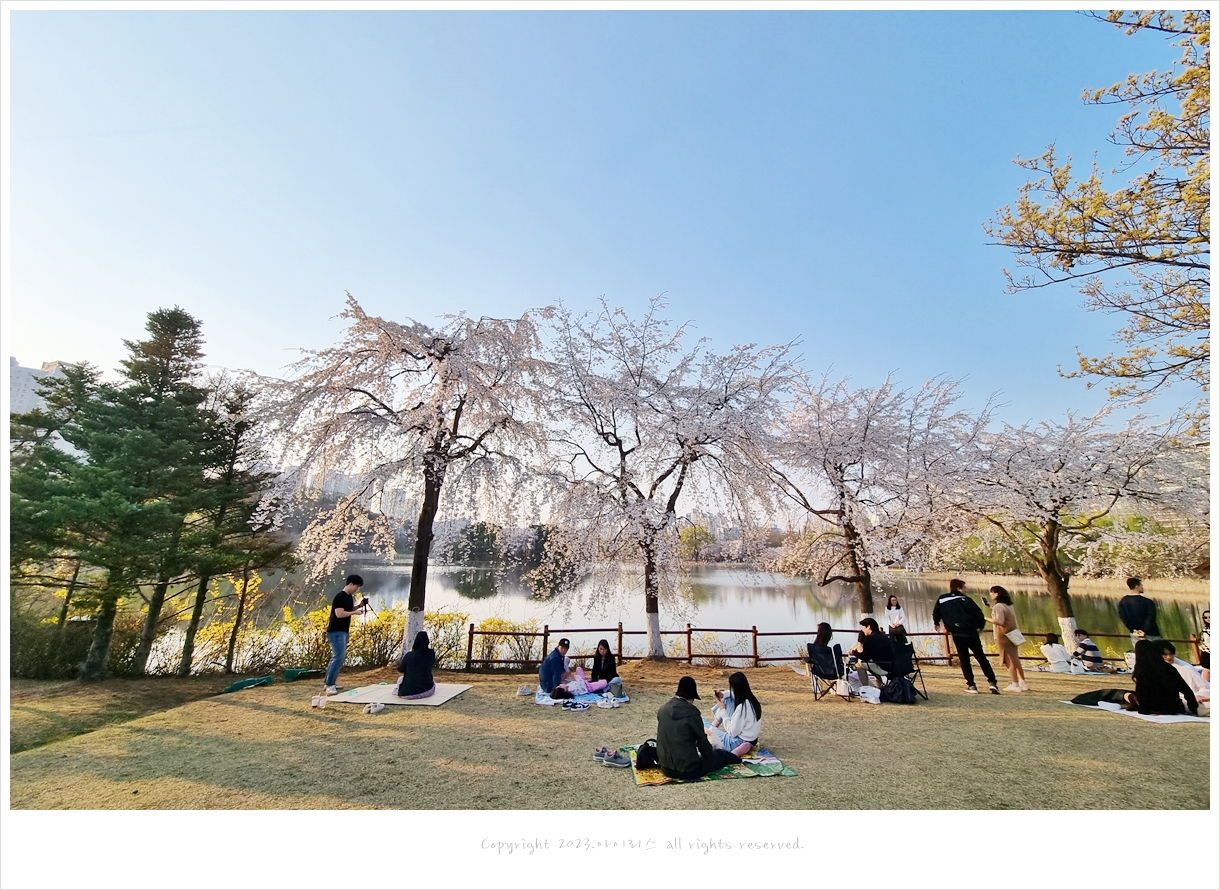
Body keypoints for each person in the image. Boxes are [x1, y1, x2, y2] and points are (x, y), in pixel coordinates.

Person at [656, 676, 741, 781]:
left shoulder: (663, 709)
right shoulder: (692, 713)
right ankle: (739, 760)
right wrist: (712, 753)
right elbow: (703, 746)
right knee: (721, 755)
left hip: (665, 768)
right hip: (689, 770)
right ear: (693, 696)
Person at [932, 579, 999, 694]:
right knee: (981, 657)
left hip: (956, 633)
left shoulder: (942, 599)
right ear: (959, 588)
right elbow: (978, 614)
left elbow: (936, 612)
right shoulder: (967, 600)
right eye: (964, 588)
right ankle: (992, 682)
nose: (966, 590)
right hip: (971, 632)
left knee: (964, 659)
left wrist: (936, 622)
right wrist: (980, 626)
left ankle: (971, 685)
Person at [324, 574, 368, 694]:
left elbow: (348, 609)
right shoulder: (340, 597)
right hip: (336, 631)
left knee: (337, 657)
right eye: (356, 586)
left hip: (343, 630)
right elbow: (339, 614)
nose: (357, 589)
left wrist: (359, 606)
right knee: (338, 657)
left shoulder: (349, 597)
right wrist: (355, 613)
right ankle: (329, 685)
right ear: (350, 584)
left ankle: (329, 682)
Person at [1132, 638, 1198, 716]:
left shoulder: (1141, 670)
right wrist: (1193, 707)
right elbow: (1185, 689)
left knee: (1127, 694)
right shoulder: (1168, 667)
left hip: (1153, 707)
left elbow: (1142, 692)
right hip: (1173, 707)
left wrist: (1144, 709)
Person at [705, 672, 762, 756]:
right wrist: (723, 694)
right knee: (728, 699)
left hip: (735, 742)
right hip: (752, 739)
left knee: (702, 722)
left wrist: (723, 710)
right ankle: (714, 725)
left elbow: (732, 732)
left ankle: (712, 728)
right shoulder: (752, 701)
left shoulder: (742, 708)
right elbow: (731, 695)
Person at [984, 586, 1028, 692]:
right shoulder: (1008, 605)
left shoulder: (998, 606)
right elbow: (1003, 613)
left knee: (1008, 660)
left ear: (996, 594)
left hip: (1003, 636)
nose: (991, 595)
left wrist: (984, 618)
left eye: (992, 593)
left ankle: (1015, 684)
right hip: (1012, 634)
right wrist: (991, 606)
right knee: (1015, 658)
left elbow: (999, 621)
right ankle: (1023, 682)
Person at [848, 618, 894, 687]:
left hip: (882, 667)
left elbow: (864, 657)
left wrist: (854, 653)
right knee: (872, 663)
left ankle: (865, 687)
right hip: (891, 666)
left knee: (859, 664)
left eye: (863, 627)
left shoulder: (870, 639)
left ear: (868, 627)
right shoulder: (884, 636)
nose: (862, 630)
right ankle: (879, 686)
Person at [1118, 577, 1161, 648]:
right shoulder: (1148, 602)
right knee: (1155, 652)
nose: (1142, 587)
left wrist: (1133, 629)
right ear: (1136, 586)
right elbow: (1151, 618)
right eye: (1141, 585)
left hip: (1135, 634)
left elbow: (1123, 617)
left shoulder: (1123, 602)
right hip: (1151, 634)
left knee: (1140, 652)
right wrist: (1143, 631)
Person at [396, 630, 436, 699]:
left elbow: (401, 669)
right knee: (433, 681)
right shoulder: (431, 654)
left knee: (400, 679)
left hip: (406, 694)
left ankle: (397, 691)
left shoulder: (409, 655)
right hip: (427, 691)